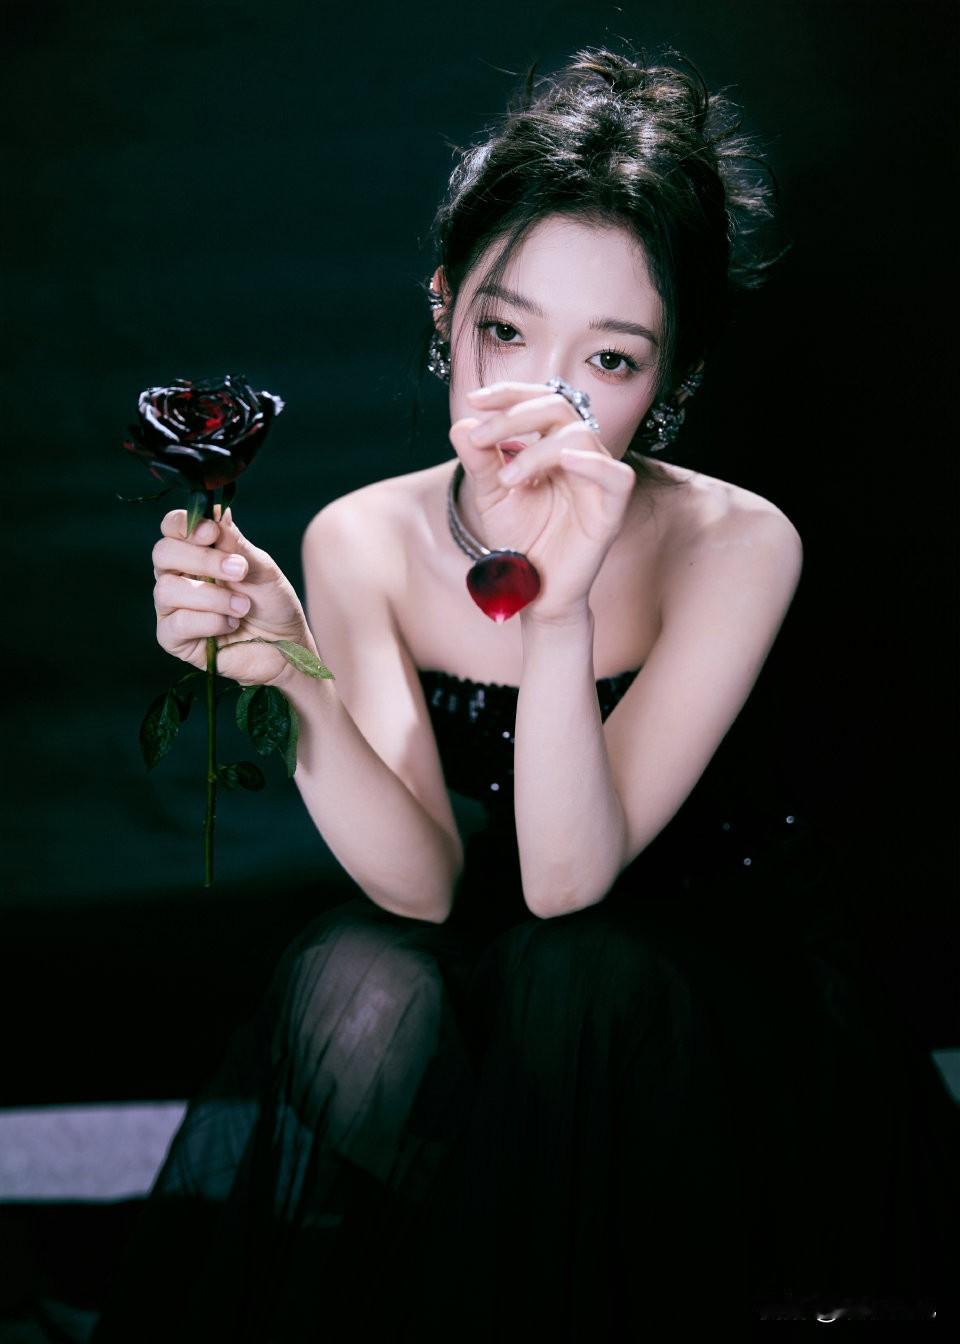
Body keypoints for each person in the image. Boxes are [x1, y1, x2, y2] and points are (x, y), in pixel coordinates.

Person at [91, 44, 958, 1338]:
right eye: (505, 331)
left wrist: (562, 606)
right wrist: (293, 674)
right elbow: (421, 887)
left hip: (719, 1011)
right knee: (354, 983)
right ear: (445, 308)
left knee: (583, 977)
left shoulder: (738, 544)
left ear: (673, 381)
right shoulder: (361, 540)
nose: (542, 400)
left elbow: (567, 884)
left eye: (611, 361)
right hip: (506, 977)